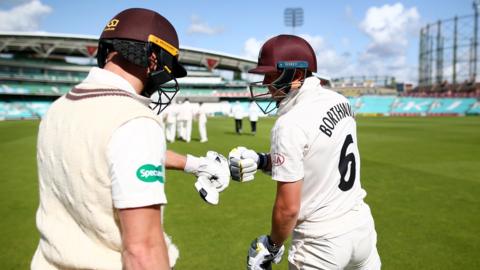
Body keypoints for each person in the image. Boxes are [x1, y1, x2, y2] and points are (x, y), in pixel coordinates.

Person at [31, 8, 229, 270]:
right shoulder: (134, 120)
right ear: (153, 60)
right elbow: (141, 250)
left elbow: (108, 154)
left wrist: (192, 164)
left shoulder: (58, 108)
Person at [228, 35, 381, 270]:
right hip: (361, 230)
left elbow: (288, 209)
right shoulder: (340, 101)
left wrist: (272, 245)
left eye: (272, 75)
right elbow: (317, 159)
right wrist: (262, 161)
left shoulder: (289, 124)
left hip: (319, 243)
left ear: (297, 75)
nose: (267, 84)